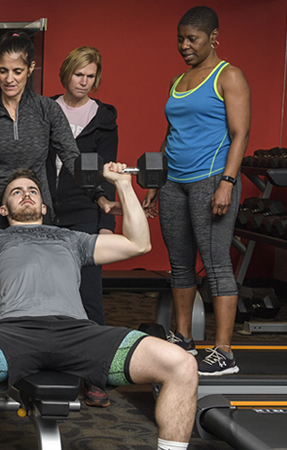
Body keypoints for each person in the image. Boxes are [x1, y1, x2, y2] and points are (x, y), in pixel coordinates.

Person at [0, 162, 198, 450]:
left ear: (43, 207)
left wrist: (123, 184)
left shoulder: (71, 239)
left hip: (79, 332)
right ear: (3, 210)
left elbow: (138, 244)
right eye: (16, 192)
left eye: (33, 191)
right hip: (13, 333)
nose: (26, 194)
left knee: (182, 365)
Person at [0, 31, 109, 420]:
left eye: (19, 71)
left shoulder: (46, 111)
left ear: (31, 70)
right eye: (4, 70)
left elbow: (71, 157)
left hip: (36, 213)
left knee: (48, 294)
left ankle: (61, 369)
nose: (10, 78)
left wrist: (101, 184)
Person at [142, 6, 249, 376]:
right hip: (174, 182)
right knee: (180, 265)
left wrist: (228, 182)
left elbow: (240, 135)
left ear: (213, 37)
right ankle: (183, 338)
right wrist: (157, 181)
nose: (184, 46)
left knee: (217, 265)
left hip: (211, 179)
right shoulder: (179, 80)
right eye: (180, 39)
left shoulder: (228, 76)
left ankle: (223, 352)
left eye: (192, 39)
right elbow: (173, 133)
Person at [48, 46, 120, 407]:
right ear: (66, 74)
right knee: (43, 295)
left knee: (89, 297)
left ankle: (94, 377)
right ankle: (46, 367)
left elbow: (106, 173)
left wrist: (106, 222)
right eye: (79, 74)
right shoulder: (45, 109)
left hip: (84, 212)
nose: (84, 82)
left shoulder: (104, 117)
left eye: (91, 76)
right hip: (45, 211)